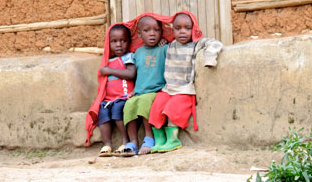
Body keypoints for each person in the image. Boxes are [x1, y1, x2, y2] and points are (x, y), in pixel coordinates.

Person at [148, 11, 223, 153]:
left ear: (193, 29)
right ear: (172, 30)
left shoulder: (195, 44)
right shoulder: (170, 45)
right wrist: (162, 42)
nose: (182, 32)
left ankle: (173, 140)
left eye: (187, 28)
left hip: (184, 90)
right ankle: (160, 140)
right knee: (156, 107)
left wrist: (210, 58)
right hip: (168, 88)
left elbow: (215, 43)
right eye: (178, 28)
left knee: (172, 109)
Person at [85, 24, 136, 157]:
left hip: (123, 96)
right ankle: (107, 144)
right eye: (114, 41)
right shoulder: (107, 60)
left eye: (123, 41)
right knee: (103, 113)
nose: (119, 44)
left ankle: (125, 140)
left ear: (129, 42)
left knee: (117, 110)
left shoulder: (128, 57)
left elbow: (131, 74)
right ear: (109, 43)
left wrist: (109, 71)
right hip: (108, 99)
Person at [121, 15, 169, 156]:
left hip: (156, 90)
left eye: (156, 30)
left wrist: (166, 42)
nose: (152, 33)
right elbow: (136, 74)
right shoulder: (138, 53)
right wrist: (134, 91)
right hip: (140, 91)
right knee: (129, 105)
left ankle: (149, 138)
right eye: (147, 30)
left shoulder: (164, 49)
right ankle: (133, 142)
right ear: (140, 34)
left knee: (144, 103)